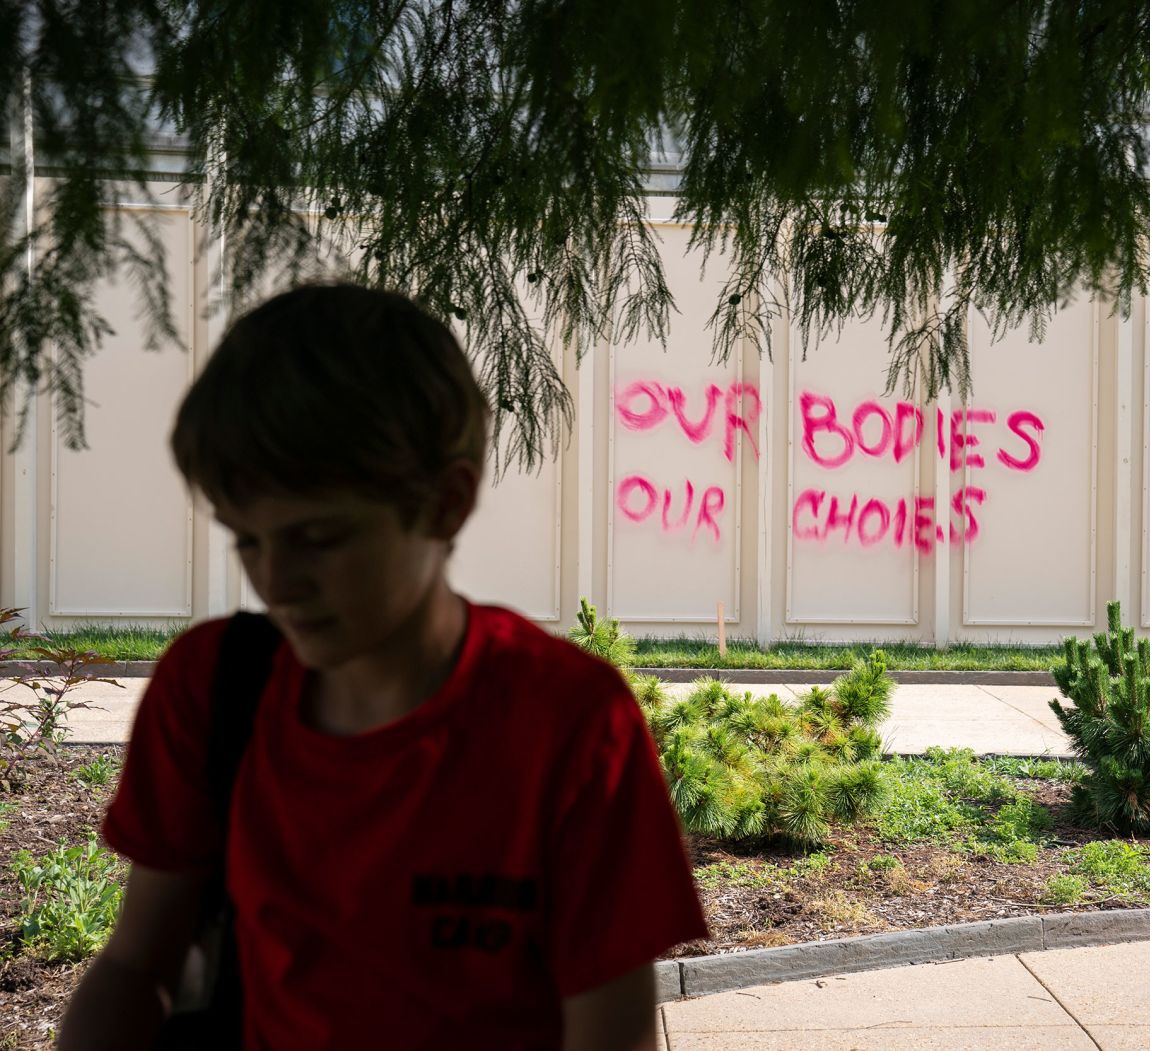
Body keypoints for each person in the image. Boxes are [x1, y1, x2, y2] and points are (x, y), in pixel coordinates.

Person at [58, 284, 707, 1050]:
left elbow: (611, 1032)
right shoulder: (211, 687)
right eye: (247, 539)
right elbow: (136, 967)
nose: (276, 580)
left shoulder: (570, 724)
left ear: (446, 504)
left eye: (319, 537)